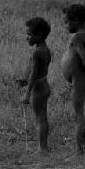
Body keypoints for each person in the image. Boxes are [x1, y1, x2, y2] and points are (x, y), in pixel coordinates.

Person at [61, 4, 85, 154]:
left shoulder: (77, 37)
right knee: (79, 113)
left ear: (76, 20)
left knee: (78, 115)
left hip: (80, 80)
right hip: (83, 79)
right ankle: (80, 150)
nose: (65, 25)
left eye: (67, 22)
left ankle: (79, 152)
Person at [18, 17, 52, 153]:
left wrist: (27, 94)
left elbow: (33, 75)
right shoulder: (45, 49)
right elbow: (36, 71)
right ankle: (44, 146)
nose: (27, 37)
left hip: (38, 88)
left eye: (29, 34)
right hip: (44, 84)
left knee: (39, 119)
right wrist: (23, 80)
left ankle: (41, 148)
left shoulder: (37, 52)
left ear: (39, 35)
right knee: (43, 117)